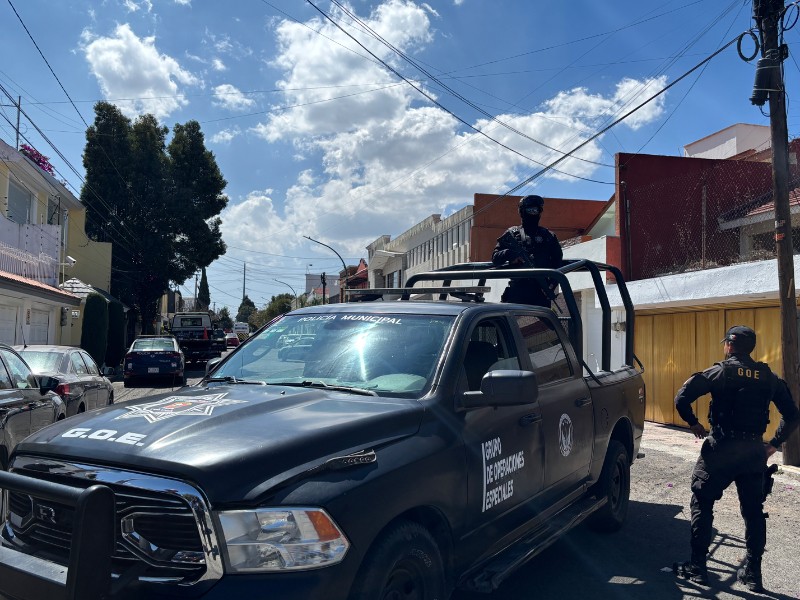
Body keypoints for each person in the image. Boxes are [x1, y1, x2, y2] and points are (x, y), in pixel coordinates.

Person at [673, 325, 800, 591]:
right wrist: (773, 445)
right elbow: (792, 415)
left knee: (702, 503)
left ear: (729, 345)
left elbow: (682, 397)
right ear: (750, 348)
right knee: (754, 512)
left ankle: (698, 568)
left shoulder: (720, 371)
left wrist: (694, 424)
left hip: (721, 448)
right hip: (753, 451)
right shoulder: (769, 378)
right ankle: (753, 574)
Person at [491, 194, 563, 307]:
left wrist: (552, 284)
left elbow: (558, 263)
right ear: (522, 211)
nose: (532, 213)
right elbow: (495, 258)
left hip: (541, 290)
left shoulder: (548, 236)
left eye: (535, 210)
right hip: (517, 290)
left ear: (539, 211)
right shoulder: (512, 234)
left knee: (547, 323)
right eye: (530, 210)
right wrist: (511, 255)